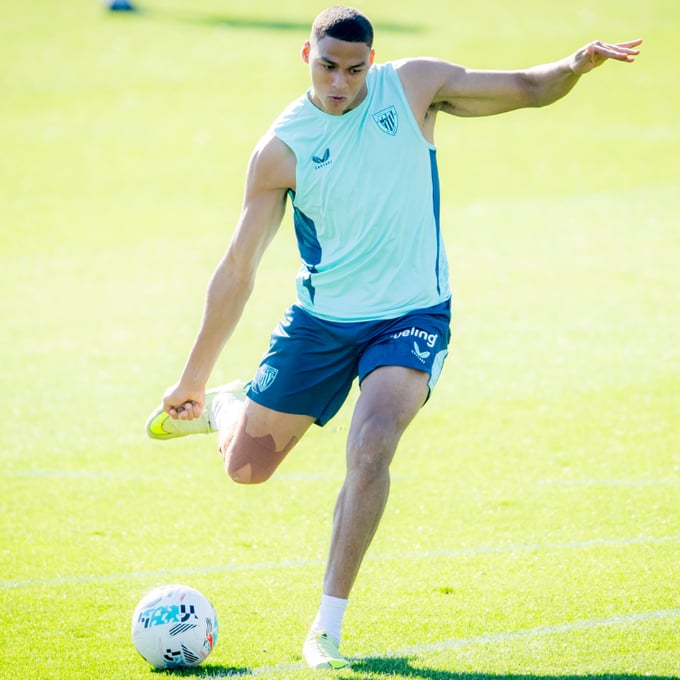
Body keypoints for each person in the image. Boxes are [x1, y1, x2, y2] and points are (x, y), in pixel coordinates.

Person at [146, 6, 641, 670]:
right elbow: (239, 269)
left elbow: (528, 88)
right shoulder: (282, 150)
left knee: (373, 441)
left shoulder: (413, 89)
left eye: (354, 70)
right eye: (328, 67)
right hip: (321, 322)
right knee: (246, 469)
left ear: (371, 63)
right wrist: (194, 378)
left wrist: (573, 66)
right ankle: (226, 408)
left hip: (412, 314)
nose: (340, 83)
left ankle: (326, 630)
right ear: (307, 57)